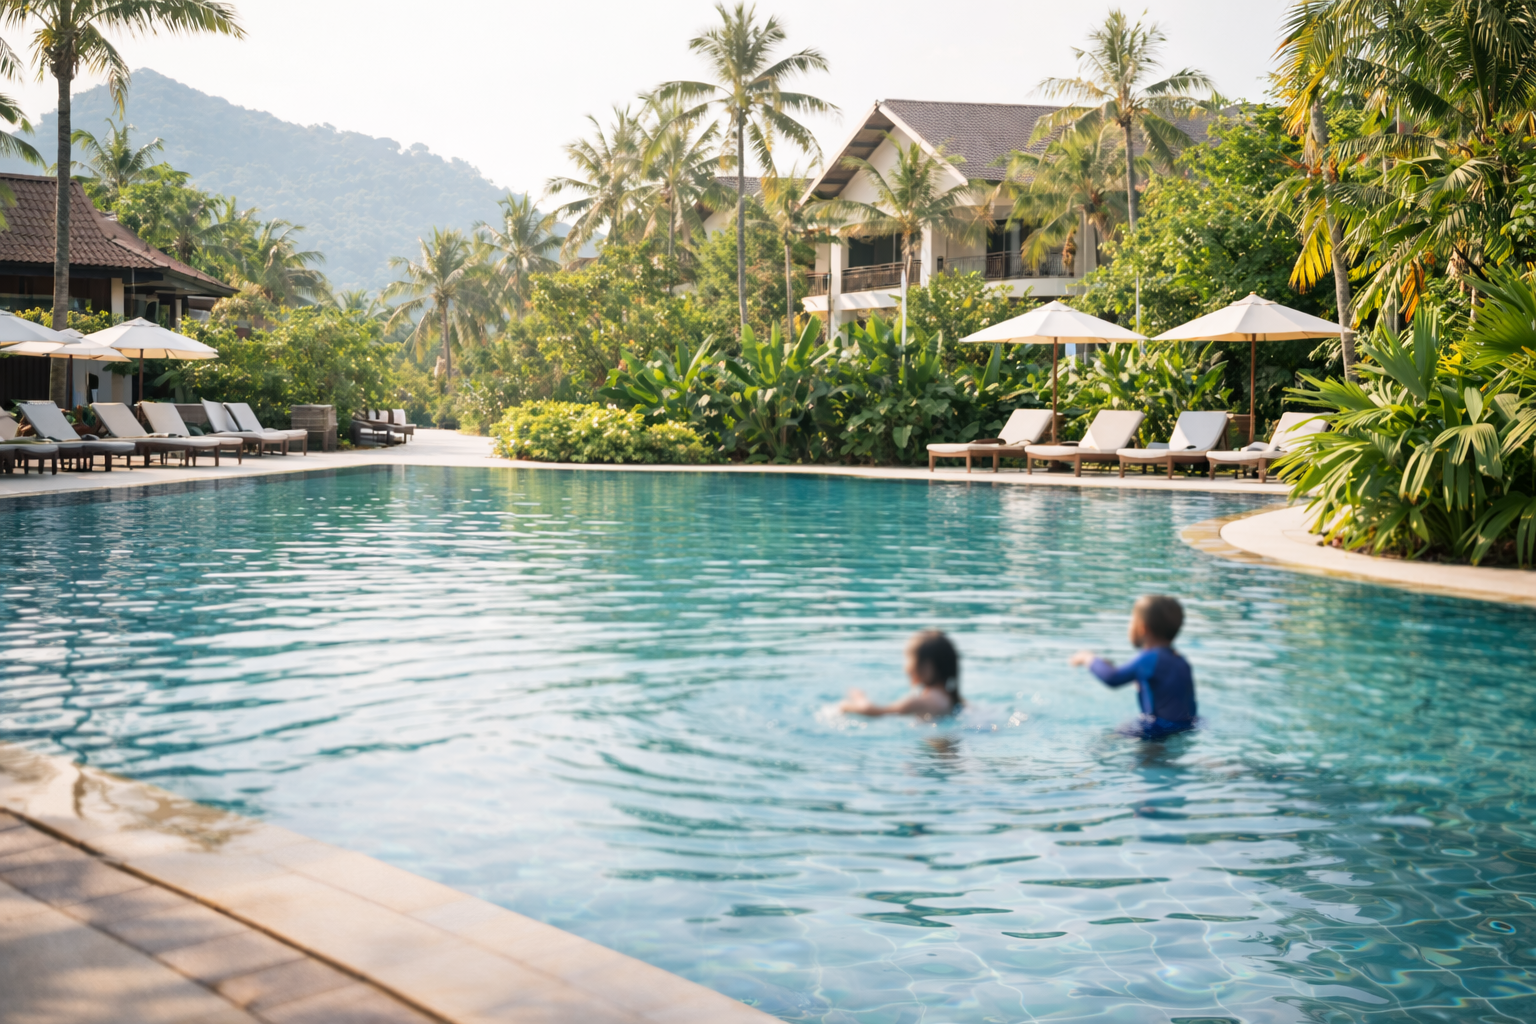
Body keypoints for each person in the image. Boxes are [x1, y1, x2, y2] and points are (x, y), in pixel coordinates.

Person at [1069, 595, 1196, 739]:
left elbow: (1112, 677)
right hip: (1188, 725)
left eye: (1131, 621)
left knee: (1103, 743)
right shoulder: (1180, 659)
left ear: (1142, 628)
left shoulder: (1150, 658)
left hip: (1159, 727)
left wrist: (1087, 658)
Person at [841, 631, 962, 718]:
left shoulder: (919, 702)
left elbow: (874, 712)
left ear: (925, 667)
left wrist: (852, 702)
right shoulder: (952, 698)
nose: (906, 669)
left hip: (935, 752)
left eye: (910, 660)